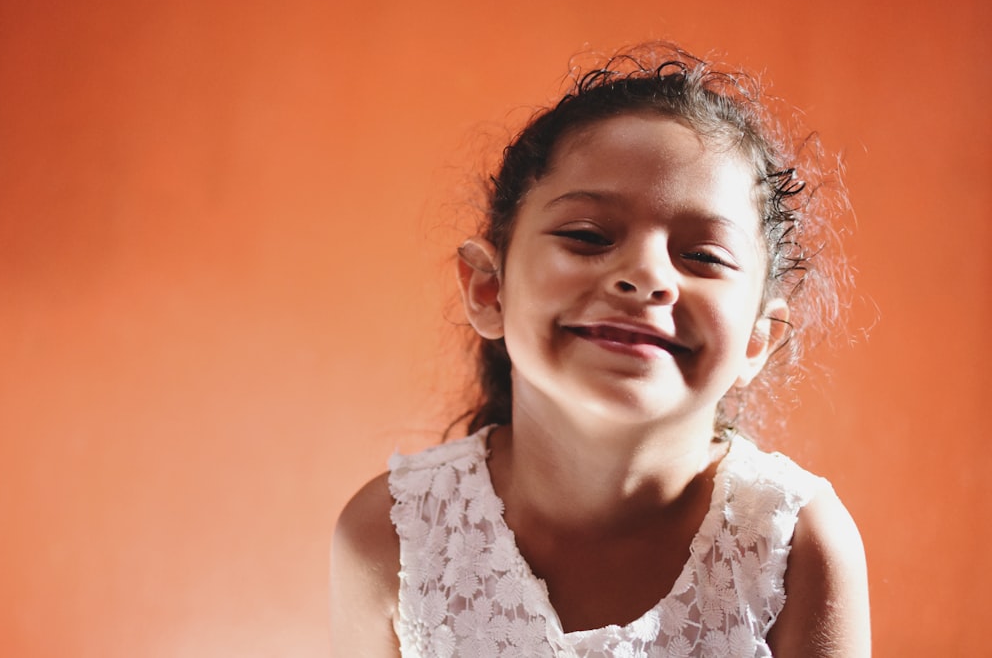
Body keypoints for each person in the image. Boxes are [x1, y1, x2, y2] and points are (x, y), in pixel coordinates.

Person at [330, 42, 870, 657]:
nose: (645, 274)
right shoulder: (393, 534)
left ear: (757, 340)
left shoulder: (795, 542)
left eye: (702, 257)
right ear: (488, 289)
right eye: (588, 236)